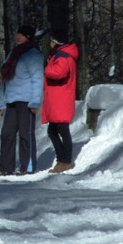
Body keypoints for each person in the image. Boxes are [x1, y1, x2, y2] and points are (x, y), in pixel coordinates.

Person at [0, 25, 44, 177]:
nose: (18, 37)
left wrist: (35, 102)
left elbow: (37, 79)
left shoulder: (33, 54)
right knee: (7, 133)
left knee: (25, 134)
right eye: (18, 34)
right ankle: (5, 167)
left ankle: (27, 166)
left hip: (26, 100)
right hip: (11, 100)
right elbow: (5, 81)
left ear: (29, 37)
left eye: (22, 35)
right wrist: (2, 103)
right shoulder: (13, 54)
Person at [41, 29, 78, 173]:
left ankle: (65, 161)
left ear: (56, 43)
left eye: (51, 40)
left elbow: (58, 73)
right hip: (58, 99)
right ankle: (62, 160)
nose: (50, 43)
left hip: (60, 100)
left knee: (62, 131)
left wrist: (45, 69)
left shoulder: (62, 57)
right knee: (53, 131)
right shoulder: (60, 55)